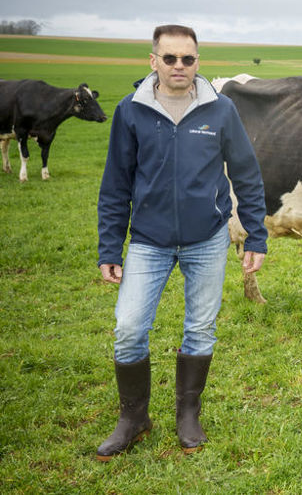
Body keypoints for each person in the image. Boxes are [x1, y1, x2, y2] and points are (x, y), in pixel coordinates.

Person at [96, 24, 268, 460]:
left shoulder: (220, 110)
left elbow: (247, 176)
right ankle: (133, 418)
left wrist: (256, 236)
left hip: (206, 239)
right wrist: (109, 248)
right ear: (153, 61)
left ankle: (187, 415)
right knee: (129, 328)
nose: (179, 66)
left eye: (187, 59)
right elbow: (115, 184)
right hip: (149, 242)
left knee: (200, 328)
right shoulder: (130, 111)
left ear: (197, 61)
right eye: (169, 58)